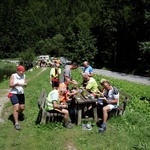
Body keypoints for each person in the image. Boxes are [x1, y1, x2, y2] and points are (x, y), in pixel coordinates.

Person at [8, 65, 27, 130]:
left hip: (21, 93)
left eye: (23, 71)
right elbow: (10, 85)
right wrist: (16, 84)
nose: (23, 73)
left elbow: (25, 82)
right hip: (13, 93)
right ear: (18, 71)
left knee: (22, 108)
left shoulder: (24, 76)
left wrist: (25, 84)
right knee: (16, 107)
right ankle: (16, 123)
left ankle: (18, 114)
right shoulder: (13, 75)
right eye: (22, 71)